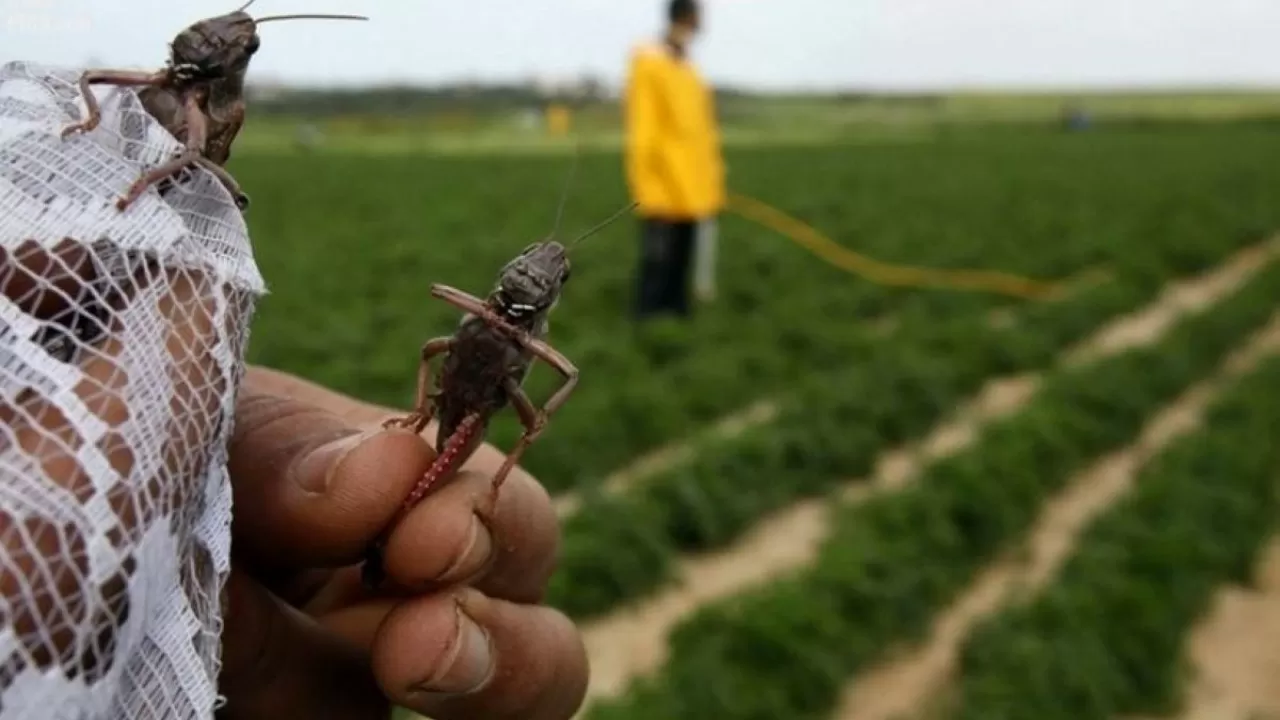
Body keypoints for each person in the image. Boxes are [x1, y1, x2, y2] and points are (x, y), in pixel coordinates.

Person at [624, 0, 725, 320]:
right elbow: (644, 130)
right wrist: (646, 183)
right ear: (685, 19)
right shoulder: (650, 63)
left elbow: (701, 134)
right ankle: (647, 322)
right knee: (658, 263)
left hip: (693, 188)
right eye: (696, 19)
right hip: (662, 187)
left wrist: (711, 178)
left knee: (682, 262)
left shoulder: (689, 70)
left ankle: (678, 320)